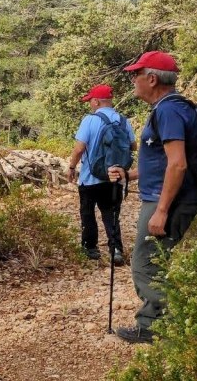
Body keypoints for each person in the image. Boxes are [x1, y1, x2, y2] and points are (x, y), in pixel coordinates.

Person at [108, 51, 197, 344]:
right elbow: (165, 161)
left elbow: (178, 164)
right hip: (169, 197)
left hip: (168, 201)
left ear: (151, 79)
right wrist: (131, 174)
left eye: (135, 75)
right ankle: (165, 323)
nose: (132, 80)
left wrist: (161, 210)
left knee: (145, 264)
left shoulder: (168, 111)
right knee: (153, 262)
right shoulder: (172, 108)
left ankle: (156, 327)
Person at [67, 84, 136, 265]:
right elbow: (133, 146)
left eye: (90, 100)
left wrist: (72, 167)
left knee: (87, 213)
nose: (90, 103)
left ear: (96, 101)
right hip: (114, 177)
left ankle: (91, 249)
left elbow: (79, 148)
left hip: (90, 179)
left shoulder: (89, 120)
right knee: (111, 214)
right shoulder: (123, 120)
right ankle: (116, 250)